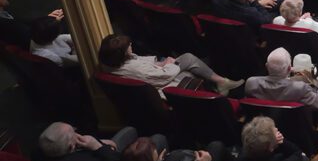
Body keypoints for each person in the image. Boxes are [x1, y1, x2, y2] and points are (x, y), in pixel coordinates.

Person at [98, 33, 243, 96]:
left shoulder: (110, 63)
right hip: (161, 88)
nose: (131, 44)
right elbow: (162, 75)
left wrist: (160, 64)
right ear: (122, 54)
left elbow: (144, 67)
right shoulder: (132, 68)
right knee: (189, 66)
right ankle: (221, 83)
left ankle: (220, 83)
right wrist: (168, 63)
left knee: (189, 61)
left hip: (155, 76)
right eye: (127, 46)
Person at [34, 122, 167, 161]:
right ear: (71, 146)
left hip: (103, 155)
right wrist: (98, 146)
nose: (76, 132)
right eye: (74, 132)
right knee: (158, 138)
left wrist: (101, 143)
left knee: (130, 130)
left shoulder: (41, 154)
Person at [245, 48, 318, 112]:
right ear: (289, 68)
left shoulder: (251, 83)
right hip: (295, 128)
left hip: (265, 125)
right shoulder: (300, 88)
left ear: (266, 66)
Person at [0, 0, 64, 49]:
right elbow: (27, 34)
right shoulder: (3, 22)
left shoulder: (3, 14)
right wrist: (52, 22)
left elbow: (23, 23)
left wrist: (47, 18)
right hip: (38, 46)